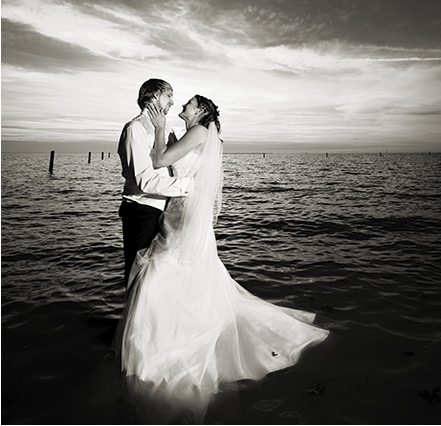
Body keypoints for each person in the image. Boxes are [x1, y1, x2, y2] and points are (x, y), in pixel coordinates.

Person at [113, 94, 328, 423]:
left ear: (199, 111)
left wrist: (158, 128)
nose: (180, 107)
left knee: (161, 273)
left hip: (182, 216)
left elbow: (157, 161)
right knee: (183, 276)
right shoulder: (208, 137)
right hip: (185, 215)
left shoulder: (198, 132)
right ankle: (176, 334)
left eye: (186, 104)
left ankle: (160, 347)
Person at [117, 78, 192, 284]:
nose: (172, 102)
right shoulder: (135, 129)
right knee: (138, 274)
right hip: (142, 210)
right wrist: (186, 187)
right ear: (155, 95)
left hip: (166, 211)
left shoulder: (167, 130)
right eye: (169, 96)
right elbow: (144, 181)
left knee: (161, 277)